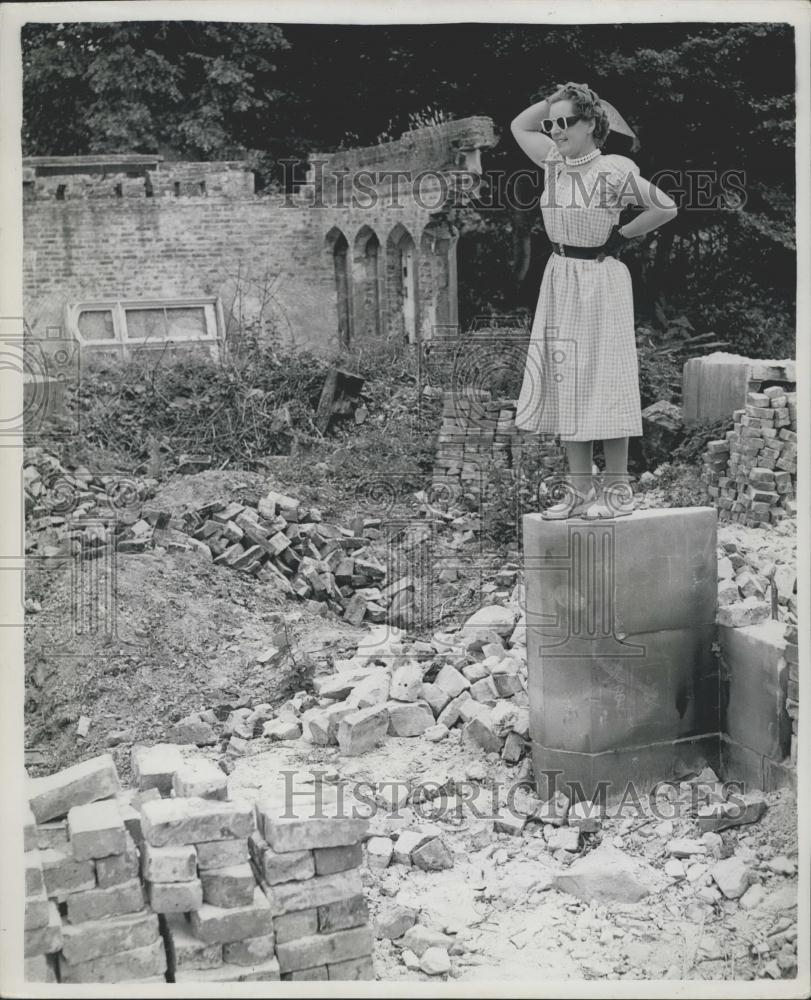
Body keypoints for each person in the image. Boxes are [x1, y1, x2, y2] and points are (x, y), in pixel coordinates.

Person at [511, 82, 678, 518]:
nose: (556, 130)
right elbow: (518, 125)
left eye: (567, 122)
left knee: (606, 377)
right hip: (561, 277)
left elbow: (665, 206)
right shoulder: (551, 162)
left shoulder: (614, 169)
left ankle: (618, 491)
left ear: (591, 125)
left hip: (601, 279)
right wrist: (557, 98)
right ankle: (579, 492)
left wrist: (621, 237)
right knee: (568, 379)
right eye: (553, 124)